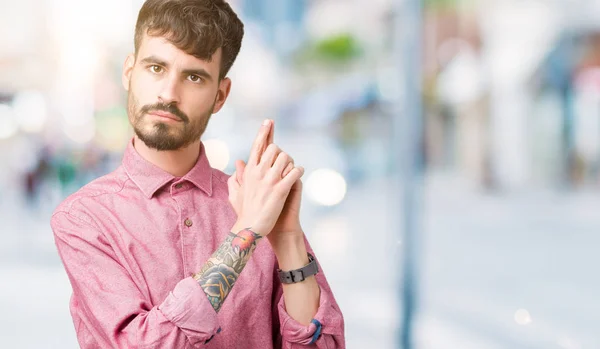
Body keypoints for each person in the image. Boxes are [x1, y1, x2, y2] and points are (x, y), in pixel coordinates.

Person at [50, 0, 345, 348]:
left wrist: (288, 237)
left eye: (194, 76)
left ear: (220, 95)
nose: (168, 94)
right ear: (129, 72)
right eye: (156, 68)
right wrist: (246, 234)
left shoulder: (254, 204)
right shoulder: (84, 219)